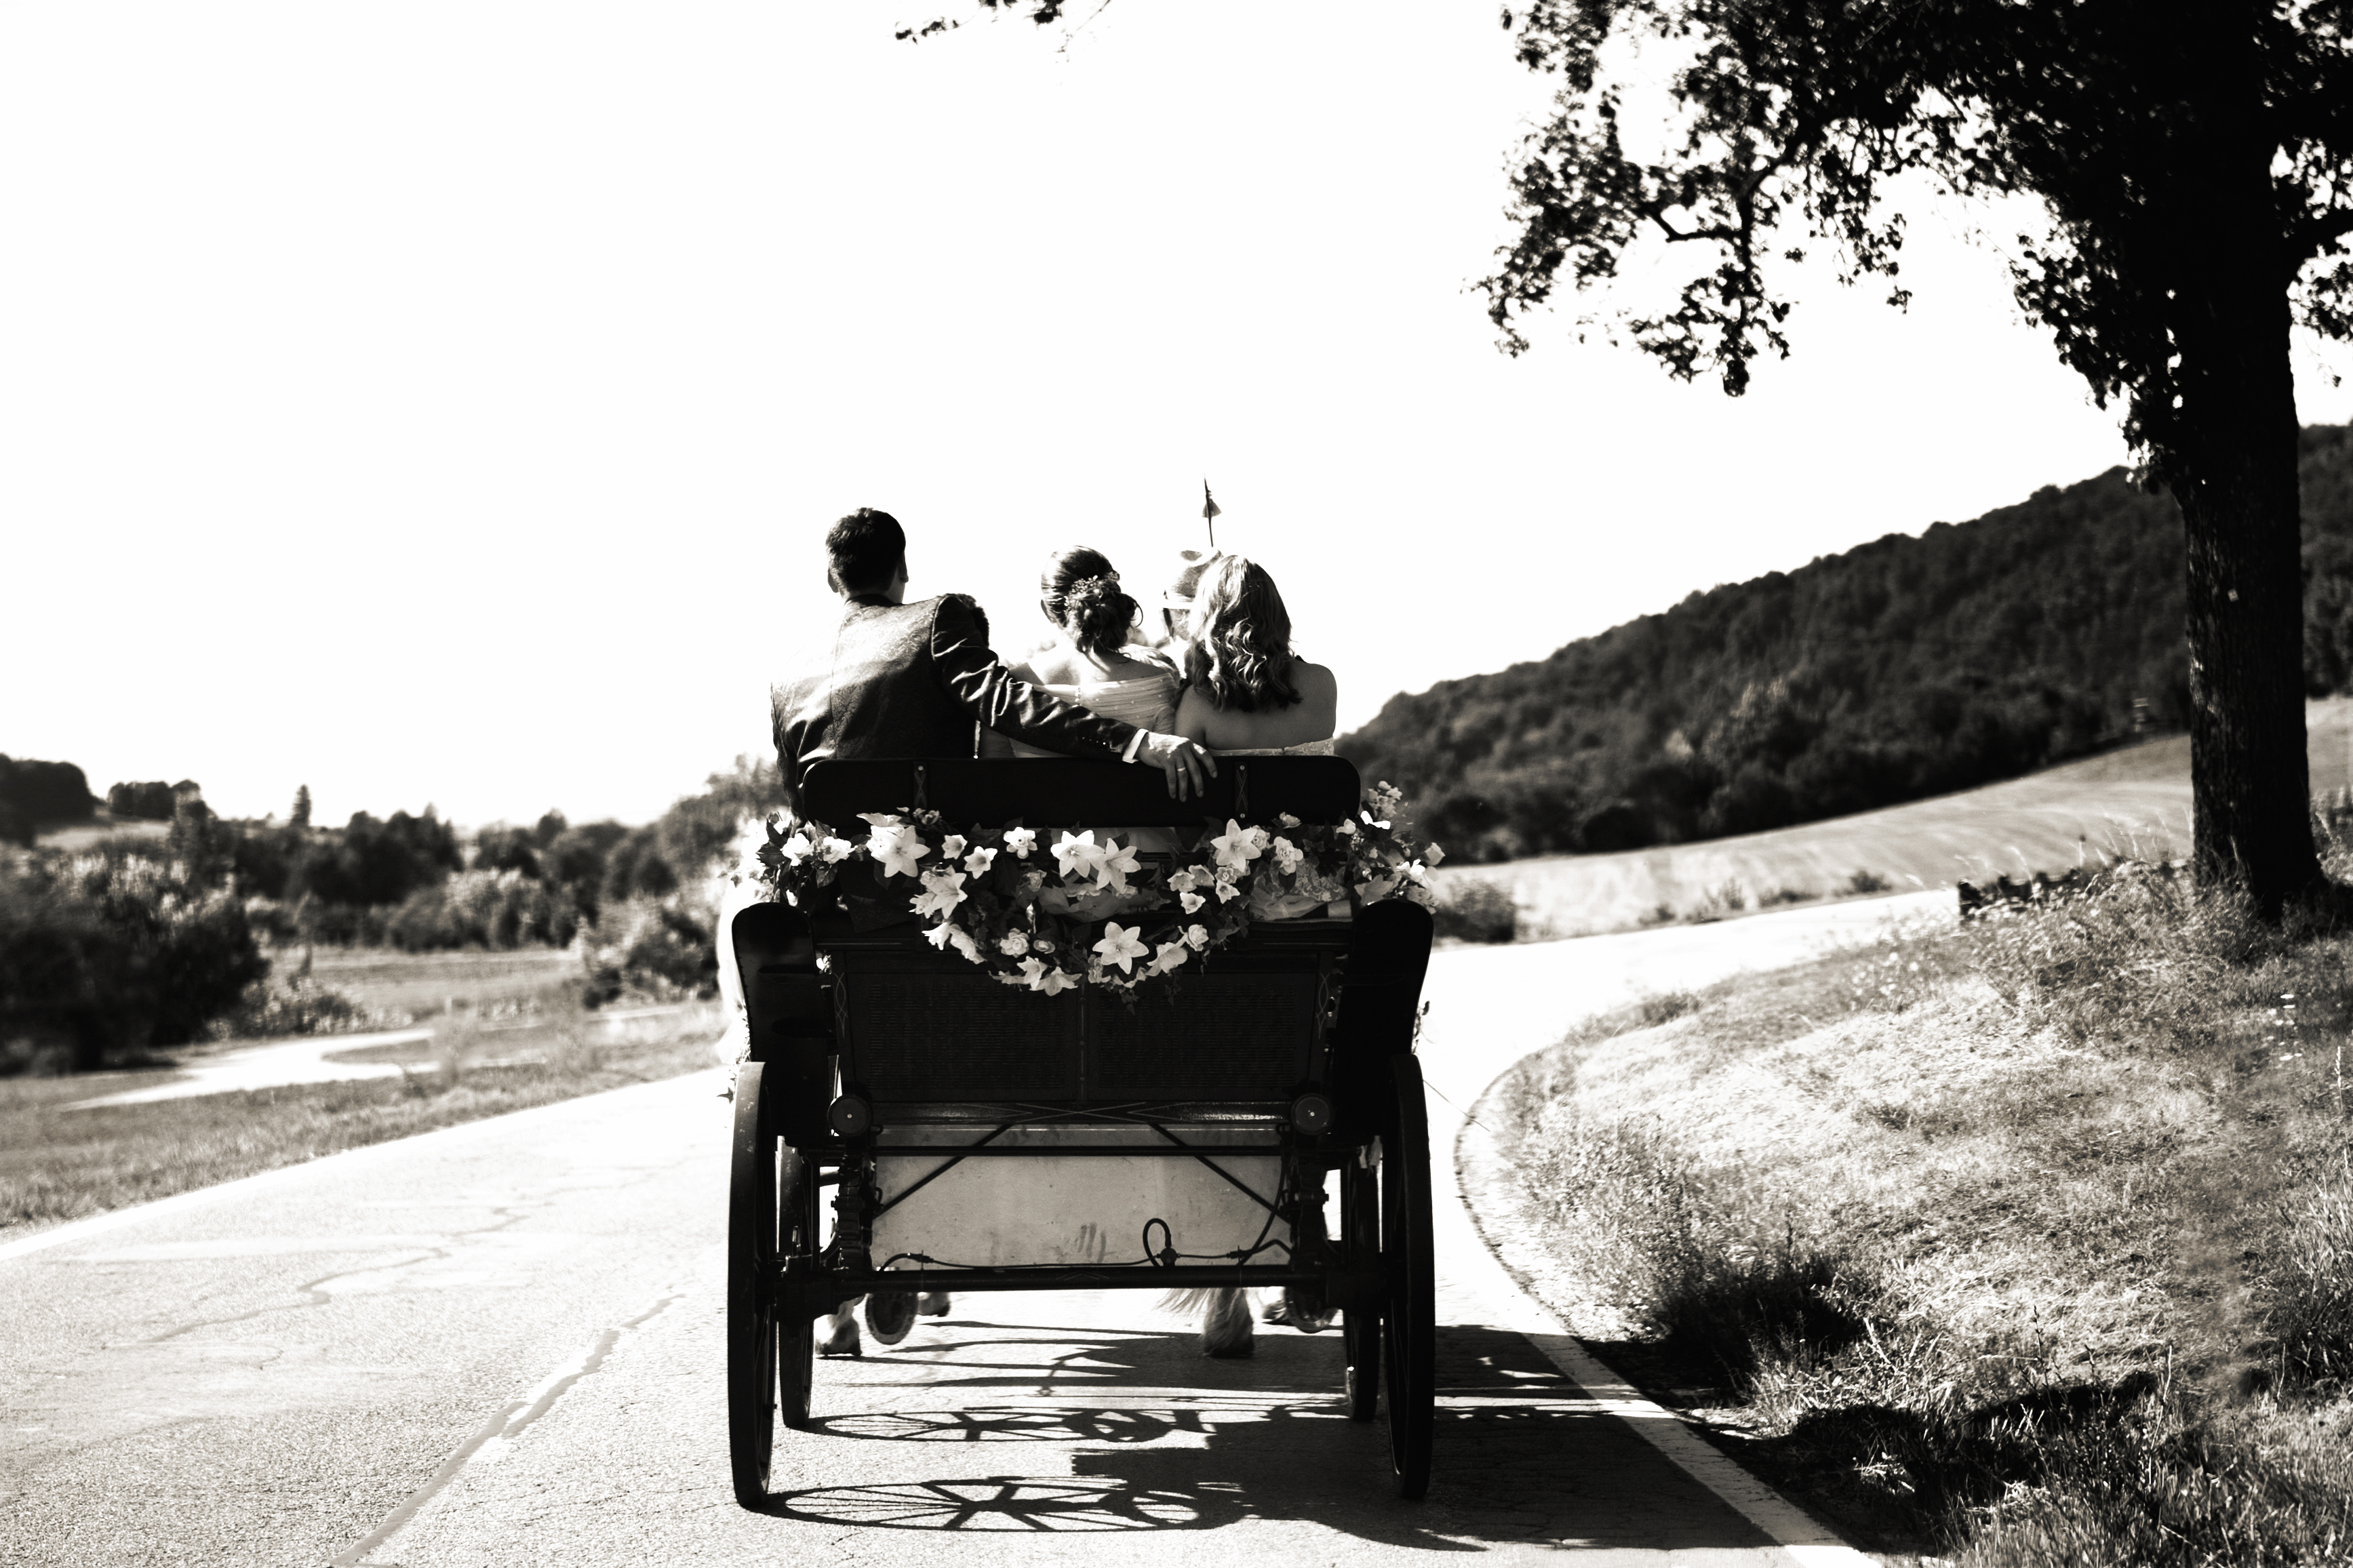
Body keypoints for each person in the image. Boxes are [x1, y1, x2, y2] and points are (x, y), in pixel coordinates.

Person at [748, 509, 1218, 1358]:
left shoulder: (788, 674)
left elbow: (801, 808)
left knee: (852, 1047)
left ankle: (863, 1243)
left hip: (850, 924)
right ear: (900, 570)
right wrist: (1132, 743)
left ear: (832, 580)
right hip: (942, 913)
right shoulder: (939, 621)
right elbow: (1003, 701)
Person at [1170, 554, 1346, 1356]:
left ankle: (1224, 1299)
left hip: (1228, 924)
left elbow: (1176, 820)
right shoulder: (1321, 688)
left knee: (1211, 1094)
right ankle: (1305, 1244)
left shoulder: (1195, 703)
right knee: (1309, 1073)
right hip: (1311, 919)